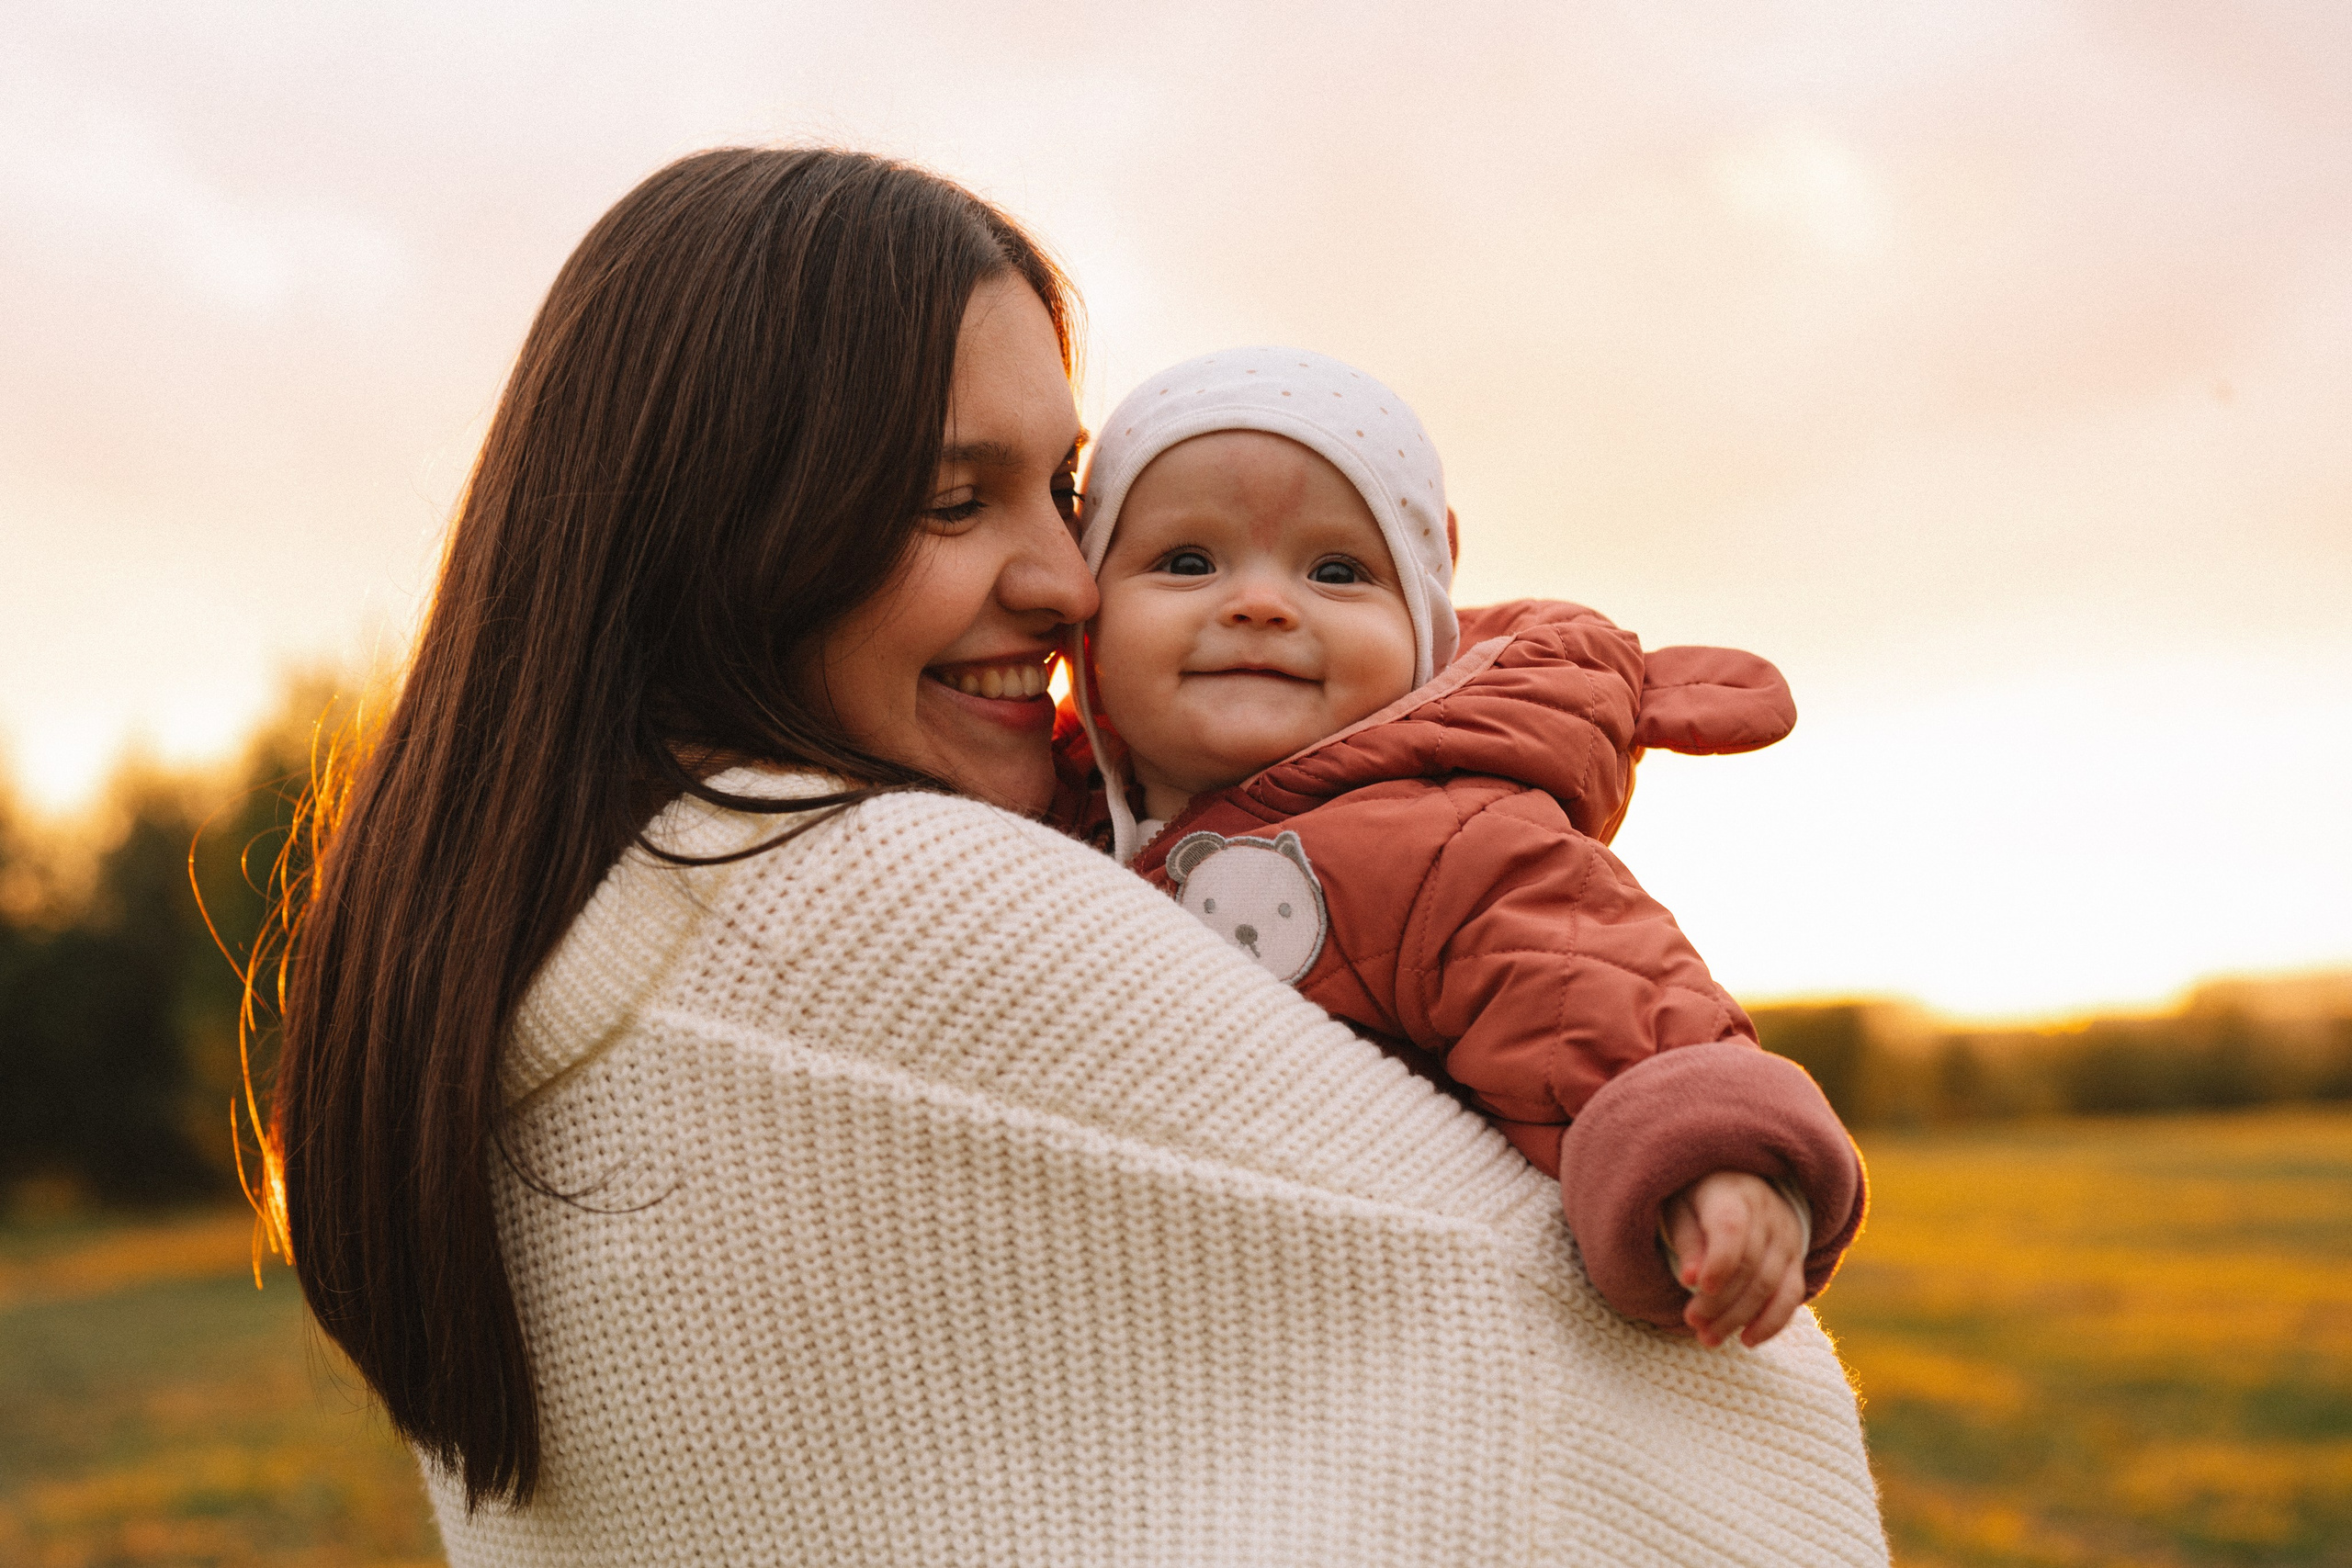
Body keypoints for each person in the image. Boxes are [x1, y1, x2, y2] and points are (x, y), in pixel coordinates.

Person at [271, 148, 1888, 1564]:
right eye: (952, 501)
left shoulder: (482, 955)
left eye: (1057, 490)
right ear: (721, 523)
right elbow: (1695, 1430)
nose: (1065, 581)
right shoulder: (888, 900)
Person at [1057, 347, 1863, 1348]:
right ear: (1086, 612)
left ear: (1425, 618)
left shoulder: (1451, 838)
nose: (1260, 603)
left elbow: (1589, 995)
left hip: (1364, 1334)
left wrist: (1710, 1163)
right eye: (1187, 562)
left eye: (1337, 571)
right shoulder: (1045, 806)